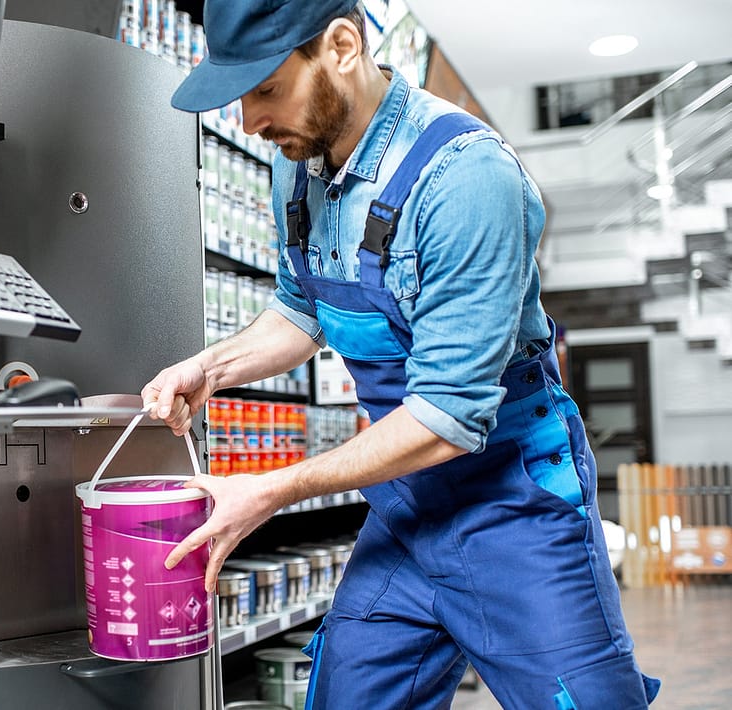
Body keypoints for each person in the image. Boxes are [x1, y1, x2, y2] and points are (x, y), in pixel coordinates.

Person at [141, 1, 661, 708]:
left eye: (265, 90)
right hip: (407, 507)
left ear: (343, 47)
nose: (248, 122)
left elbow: (449, 416)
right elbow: (302, 312)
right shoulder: (296, 168)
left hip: (513, 501)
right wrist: (212, 366)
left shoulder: (466, 179)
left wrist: (270, 490)